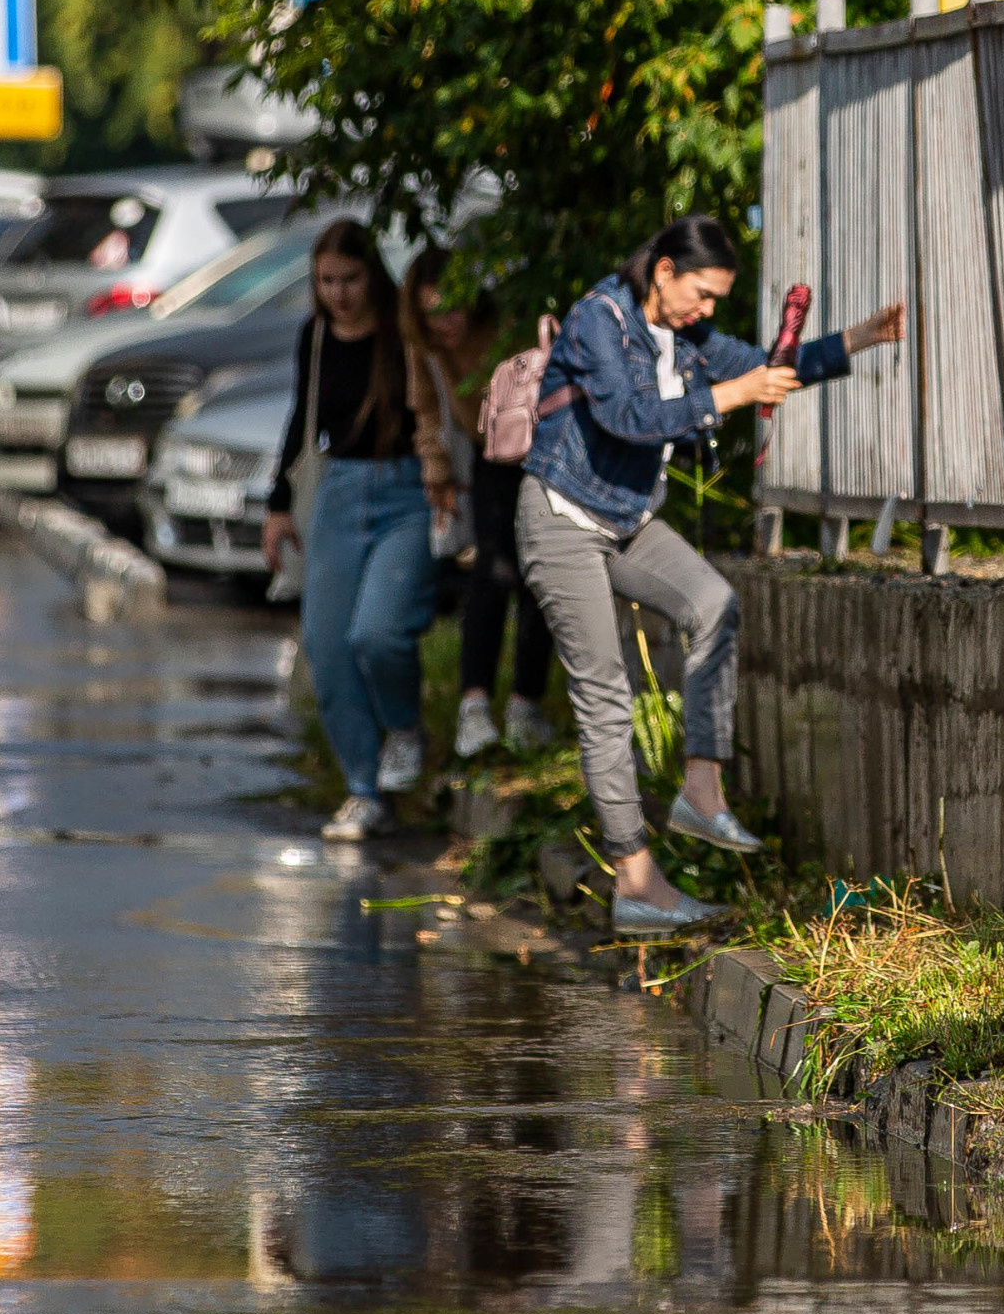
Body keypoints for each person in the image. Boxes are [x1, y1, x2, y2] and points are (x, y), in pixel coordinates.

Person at [518, 215, 905, 934]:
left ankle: (702, 790)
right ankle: (636, 884)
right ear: (662, 271)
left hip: (628, 518)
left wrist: (862, 337)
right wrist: (733, 395)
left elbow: (767, 363)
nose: (708, 311)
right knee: (606, 694)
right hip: (562, 517)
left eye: (717, 299)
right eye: (703, 293)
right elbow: (629, 416)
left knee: (713, 603)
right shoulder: (597, 319)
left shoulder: (687, 335)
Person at [261, 220, 461, 840]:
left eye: (349, 279)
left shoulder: (403, 334)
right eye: (326, 281)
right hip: (338, 493)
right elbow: (303, 415)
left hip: (406, 491)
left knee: (377, 632)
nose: (339, 293)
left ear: (372, 275)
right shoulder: (316, 335)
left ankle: (403, 728)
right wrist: (277, 505)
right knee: (326, 646)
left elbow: (438, 405)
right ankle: (363, 790)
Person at [400, 247, 557, 759]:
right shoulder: (423, 344)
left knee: (540, 575)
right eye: (432, 313)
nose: (445, 324)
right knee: (493, 571)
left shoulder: (507, 325)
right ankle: (474, 710)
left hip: (544, 452)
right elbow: (424, 406)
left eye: (452, 309)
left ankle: (525, 707)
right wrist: (437, 470)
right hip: (486, 454)